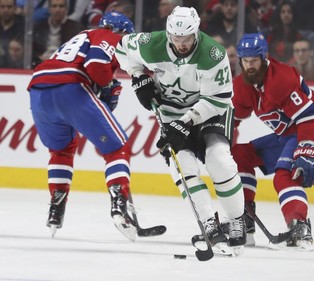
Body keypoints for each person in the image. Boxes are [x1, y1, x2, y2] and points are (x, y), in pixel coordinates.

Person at [115, 6, 247, 254]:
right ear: (169, 33)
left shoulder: (213, 53)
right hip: (172, 113)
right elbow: (121, 48)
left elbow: (218, 99)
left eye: (187, 38)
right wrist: (137, 75)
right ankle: (209, 224)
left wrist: (186, 121)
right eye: (177, 38)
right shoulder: (150, 43)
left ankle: (235, 220)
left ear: (196, 33)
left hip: (211, 110)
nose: (182, 44)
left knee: (219, 161)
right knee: (183, 166)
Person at [27, 11, 137, 239]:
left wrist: (103, 85)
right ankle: (119, 204)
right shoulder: (109, 36)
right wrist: (107, 85)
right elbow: (96, 64)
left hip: (38, 89)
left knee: (61, 150)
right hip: (70, 86)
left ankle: (56, 208)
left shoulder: (79, 37)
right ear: (120, 32)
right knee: (118, 148)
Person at [231, 33, 314, 249]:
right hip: (290, 132)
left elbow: (309, 117)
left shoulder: (280, 79)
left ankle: (300, 227)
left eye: (254, 60)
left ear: (265, 57)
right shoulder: (243, 85)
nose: (249, 66)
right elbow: (231, 120)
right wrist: (216, 142)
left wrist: (307, 150)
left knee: (285, 175)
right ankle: (245, 219)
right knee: (238, 155)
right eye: (245, 61)